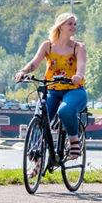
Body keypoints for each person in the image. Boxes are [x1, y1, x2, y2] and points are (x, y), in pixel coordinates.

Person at [15, 12, 88, 166]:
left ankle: (73, 140)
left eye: (75, 24)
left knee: (65, 111)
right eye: (70, 24)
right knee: (40, 116)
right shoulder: (47, 46)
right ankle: (37, 161)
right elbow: (34, 63)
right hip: (52, 90)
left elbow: (81, 66)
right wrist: (23, 72)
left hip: (74, 90)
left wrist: (78, 75)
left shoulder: (78, 47)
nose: (74, 27)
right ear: (60, 26)